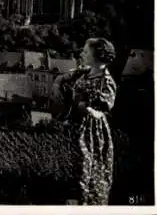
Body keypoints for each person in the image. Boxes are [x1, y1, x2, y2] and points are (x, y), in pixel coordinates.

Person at [50, 38, 117, 205]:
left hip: (91, 133)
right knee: (68, 172)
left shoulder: (106, 82)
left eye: (86, 52)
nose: (81, 54)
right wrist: (58, 87)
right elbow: (61, 78)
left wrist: (85, 107)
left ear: (98, 55)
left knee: (89, 172)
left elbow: (103, 110)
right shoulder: (84, 71)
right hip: (74, 128)